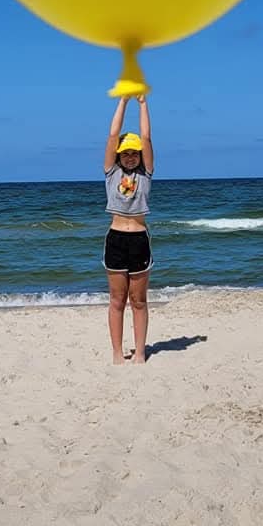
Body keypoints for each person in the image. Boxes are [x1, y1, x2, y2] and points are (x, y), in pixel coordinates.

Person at [103, 95, 154, 364]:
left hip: (139, 240)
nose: (131, 157)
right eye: (127, 153)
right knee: (116, 300)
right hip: (116, 239)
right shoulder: (111, 172)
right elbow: (113, 136)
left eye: (135, 153)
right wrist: (123, 102)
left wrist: (143, 104)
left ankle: (141, 352)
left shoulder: (145, 174)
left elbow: (146, 138)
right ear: (119, 155)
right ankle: (116, 352)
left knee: (139, 300)